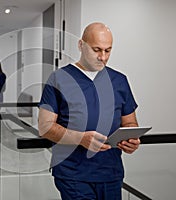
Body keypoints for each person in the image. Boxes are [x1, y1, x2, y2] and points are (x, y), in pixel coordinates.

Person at [38, 22, 140, 200]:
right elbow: (45, 127)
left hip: (111, 173)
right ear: (80, 45)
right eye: (96, 49)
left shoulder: (119, 81)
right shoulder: (58, 79)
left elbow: (130, 122)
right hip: (73, 174)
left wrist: (131, 140)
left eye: (108, 50)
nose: (103, 57)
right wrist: (81, 138)